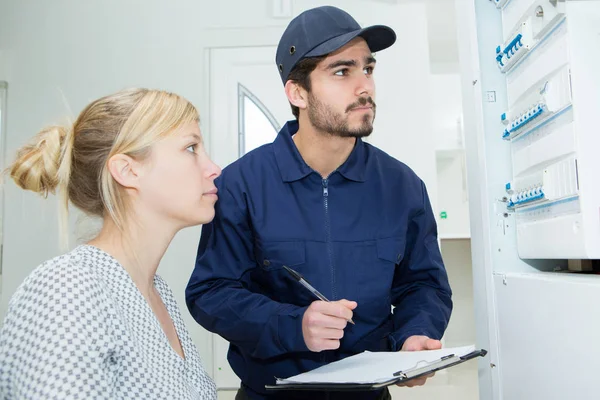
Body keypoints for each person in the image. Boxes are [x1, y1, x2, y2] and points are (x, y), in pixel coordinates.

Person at [186, 6, 452, 400]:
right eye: (342, 72)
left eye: (368, 69)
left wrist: (415, 334)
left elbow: (424, 284)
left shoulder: (402, 185)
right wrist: (294, 325)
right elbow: (211, 292)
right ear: (298, 93)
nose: (364, 87)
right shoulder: (241, 183)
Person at [0, 88, 220, 399]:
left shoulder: (157, 294)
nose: (214, 168)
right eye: (191, 148)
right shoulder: (66, 289)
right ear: (128, 171)